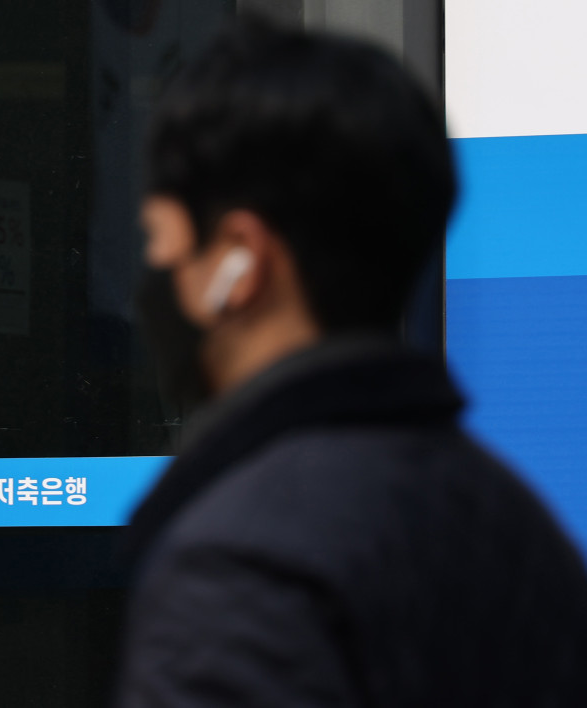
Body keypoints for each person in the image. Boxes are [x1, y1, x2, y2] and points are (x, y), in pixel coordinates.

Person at [118, 19, 587, 707]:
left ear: (240, 261)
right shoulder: (518, 529)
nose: (152, 275)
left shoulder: (242, 563)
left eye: (162, 241)